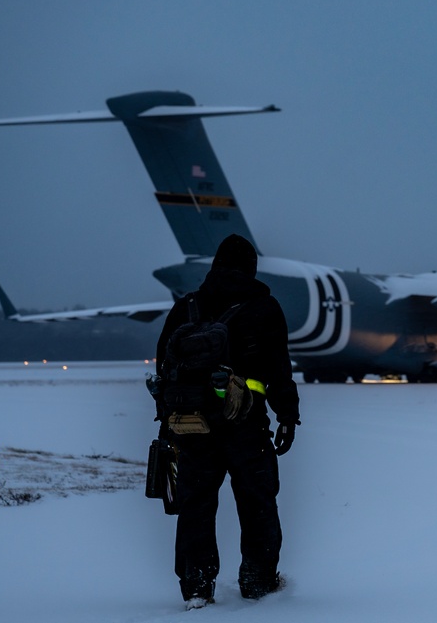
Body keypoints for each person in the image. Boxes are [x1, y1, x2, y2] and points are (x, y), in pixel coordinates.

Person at [154, 234, 300, 609]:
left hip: (193, 427)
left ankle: (197, 586)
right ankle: (258, 578)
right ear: (250, 268)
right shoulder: (264, 308)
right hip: (245, 425)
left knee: (196, 505)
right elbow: (278, 369)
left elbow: (164, 367)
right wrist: (288, 416)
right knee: (257, 502)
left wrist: (168, 421)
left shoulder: (186, 307)